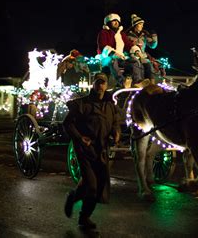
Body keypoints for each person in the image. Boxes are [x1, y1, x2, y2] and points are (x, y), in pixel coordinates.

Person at [63, 74, 121, 229]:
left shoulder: (110, 105)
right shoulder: (82, 104)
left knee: (99, 183)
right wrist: (80, 138)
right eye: (98, 82)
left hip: (101, 150)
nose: (100, 86)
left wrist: (116, 133)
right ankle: (84, 216)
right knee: (92, 186)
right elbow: (67, 123)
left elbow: (115, 122)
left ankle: (74, 200)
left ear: (107, 85)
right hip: (85, 150)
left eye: (103, 83)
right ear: (93, 84)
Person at [97, 13, 134, 88]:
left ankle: (137, 82)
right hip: (107, 56)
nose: (116, 22)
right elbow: (102, 46)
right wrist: (113, 53)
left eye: (117, 21)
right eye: (114, 21)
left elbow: (128, 45)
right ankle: (122, 82)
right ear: (109, 22)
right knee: (113, 61)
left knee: (134, 61)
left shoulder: (121, 34)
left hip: (120, 56)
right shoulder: (103, 32)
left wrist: (136, 51)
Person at [125, 14, 159, 86]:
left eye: (142, 24)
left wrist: (154, 36)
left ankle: (151, 85)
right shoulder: (128, 35)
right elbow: (125, 47)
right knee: (138, 64)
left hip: (142, 56)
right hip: (132, 56)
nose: (142, 26)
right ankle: (138, 83)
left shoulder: (144, 35)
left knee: (149, 65)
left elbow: (153, 46)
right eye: (140, 24)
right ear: (135, 25)